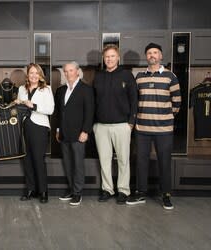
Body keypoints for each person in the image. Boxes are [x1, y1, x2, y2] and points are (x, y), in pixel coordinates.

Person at [126, 43, 181, 210]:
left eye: (155, 52)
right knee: (141, 161)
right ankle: (141, 192)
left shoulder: (171, 76)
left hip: (163, 129)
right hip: (142, 128)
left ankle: (166, 195)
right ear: (146, 56)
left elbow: (177, 103)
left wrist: (162, 116)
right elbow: (135, 101)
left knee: (164, 162)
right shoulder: (139, 77)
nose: (152, 55)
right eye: (149, 53)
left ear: (161, 56)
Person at [93, 44, 138, 204]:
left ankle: (124, 191)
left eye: (112, 56)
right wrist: (94, 124)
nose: (109, 59)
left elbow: (134, 100)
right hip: (101, 126)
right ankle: (107, 189)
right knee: (104, 160)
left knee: (123, 159)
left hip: (122, 125)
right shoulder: (98, 76)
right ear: (104, 59)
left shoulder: (127, 75)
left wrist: (131, 123)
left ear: (118, 58)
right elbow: (93, 101)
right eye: (107, 57)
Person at [54, 61, 94, 206]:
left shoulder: (86, 89)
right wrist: (58, 130)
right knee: (68, 163)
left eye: (71, 70)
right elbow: (58, 113)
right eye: (65, 71)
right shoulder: (61, 90)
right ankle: (71, 189)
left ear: (78, 71)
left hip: (79, 134)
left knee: (77, 164)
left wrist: (85, 131)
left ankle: (77, 192)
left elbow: (90, 113)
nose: (68, 73)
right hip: (64, 134)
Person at [17, 63, 54, 203]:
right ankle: (30, 189)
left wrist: (34, 106)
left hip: (39, 127)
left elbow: (50, 109)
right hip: (25, 126)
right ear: (28, 75)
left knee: (38, 160)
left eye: (36, 73)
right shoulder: (22, 89)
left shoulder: (46, 89)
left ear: (40, 75)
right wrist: (17, 102)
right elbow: (19, 108)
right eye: (31, 73)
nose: (33, 75)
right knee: (27, 160)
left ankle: (43, 191)